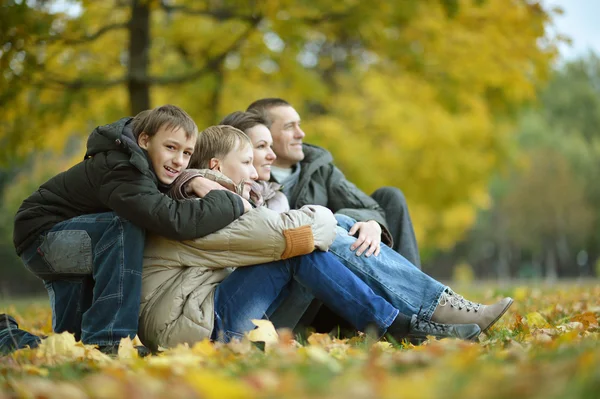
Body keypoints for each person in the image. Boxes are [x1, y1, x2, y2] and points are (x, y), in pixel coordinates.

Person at [137, 125, 482, 351]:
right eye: (246, 161)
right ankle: (415, 317)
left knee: (311, 244)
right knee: (307, 244)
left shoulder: (218, 197)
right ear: (216, 165)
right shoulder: (202, 203)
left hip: (204, 317)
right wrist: (331, 217)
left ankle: (409, 320)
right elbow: (280, 233)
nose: (255, 171)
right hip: (190, 331)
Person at [218, 111, 513, 335]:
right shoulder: (216, 196)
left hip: (286, 297)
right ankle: (428, 312)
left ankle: (423, 314)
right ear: (227, 155)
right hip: (243, 317)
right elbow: (270, 237)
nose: (300, 135)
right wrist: (328, 221)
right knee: (318, 235)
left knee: (349, 218)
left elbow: (365, 207)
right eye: (260, 146)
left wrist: (368, 222)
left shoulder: (277, 189)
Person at [4, 105, 249, 356]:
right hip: (43, 237)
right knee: (123, 226)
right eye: (171, 147)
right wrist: (232, 201)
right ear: (144, 140)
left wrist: (191, 179)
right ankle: (112, 339)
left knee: (72, 346)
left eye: (187, 153)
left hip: (77, 238)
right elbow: (172, 220)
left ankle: (5, 335)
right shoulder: (122, 168)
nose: (179, 160)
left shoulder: (145, 169)